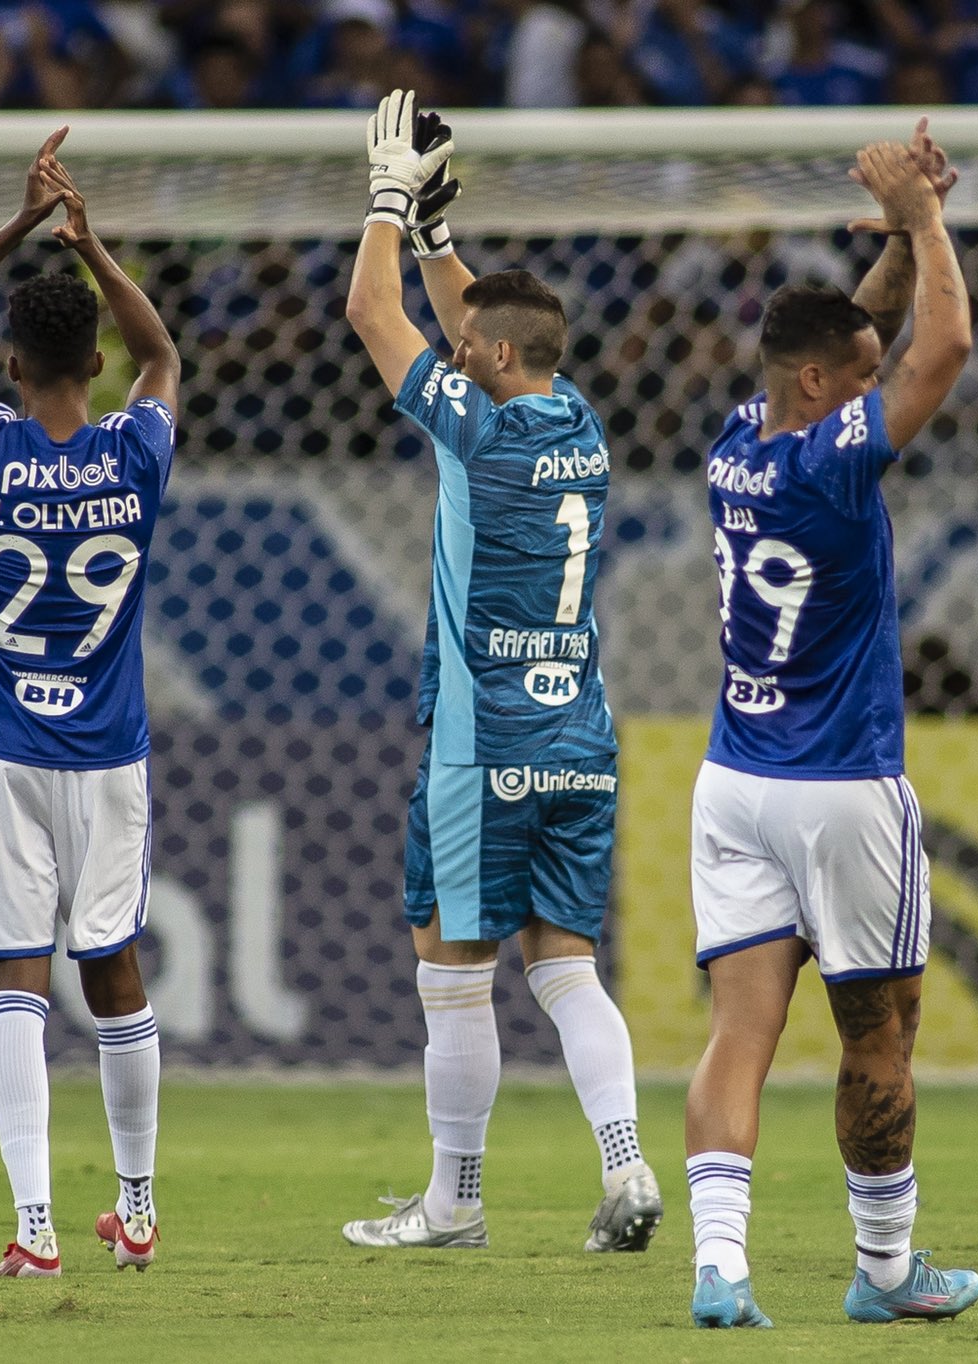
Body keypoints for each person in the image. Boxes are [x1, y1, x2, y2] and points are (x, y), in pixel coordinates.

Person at [339, 90, 661, 1256]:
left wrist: (383, 197)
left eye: (466, 347)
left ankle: (455, 1200)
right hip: (577, 729)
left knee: (453, 970)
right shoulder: (575, 415)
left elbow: (363, 307)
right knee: (565, 966)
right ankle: (624, 1168)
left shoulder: (475, 432)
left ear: (492, 364)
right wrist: (434, 239)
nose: (452, 351)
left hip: (483, 743)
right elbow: (465, 319)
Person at [682, 119, 978, 1329]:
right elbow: (945, 345)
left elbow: (843, 341)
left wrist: (887, 254)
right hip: (842, 786)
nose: (876, 386)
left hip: (731, 782)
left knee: (737, 1036)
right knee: (880, 1035)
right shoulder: (829, 467)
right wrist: (921, 223)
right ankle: (885, 1269)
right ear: (819, 389)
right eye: (859, 378)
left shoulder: (735, 447)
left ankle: (719, 1268)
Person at [0, 128, 180, 1279]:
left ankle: (33, 1225)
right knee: (111, 968)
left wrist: (21, 222)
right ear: (96, 365)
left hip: (0, 749)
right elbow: (165, 355)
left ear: (8, 365)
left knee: (12, 976)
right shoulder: (132, 453)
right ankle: (138, 1204)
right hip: (105, 753)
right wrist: (95, 247)